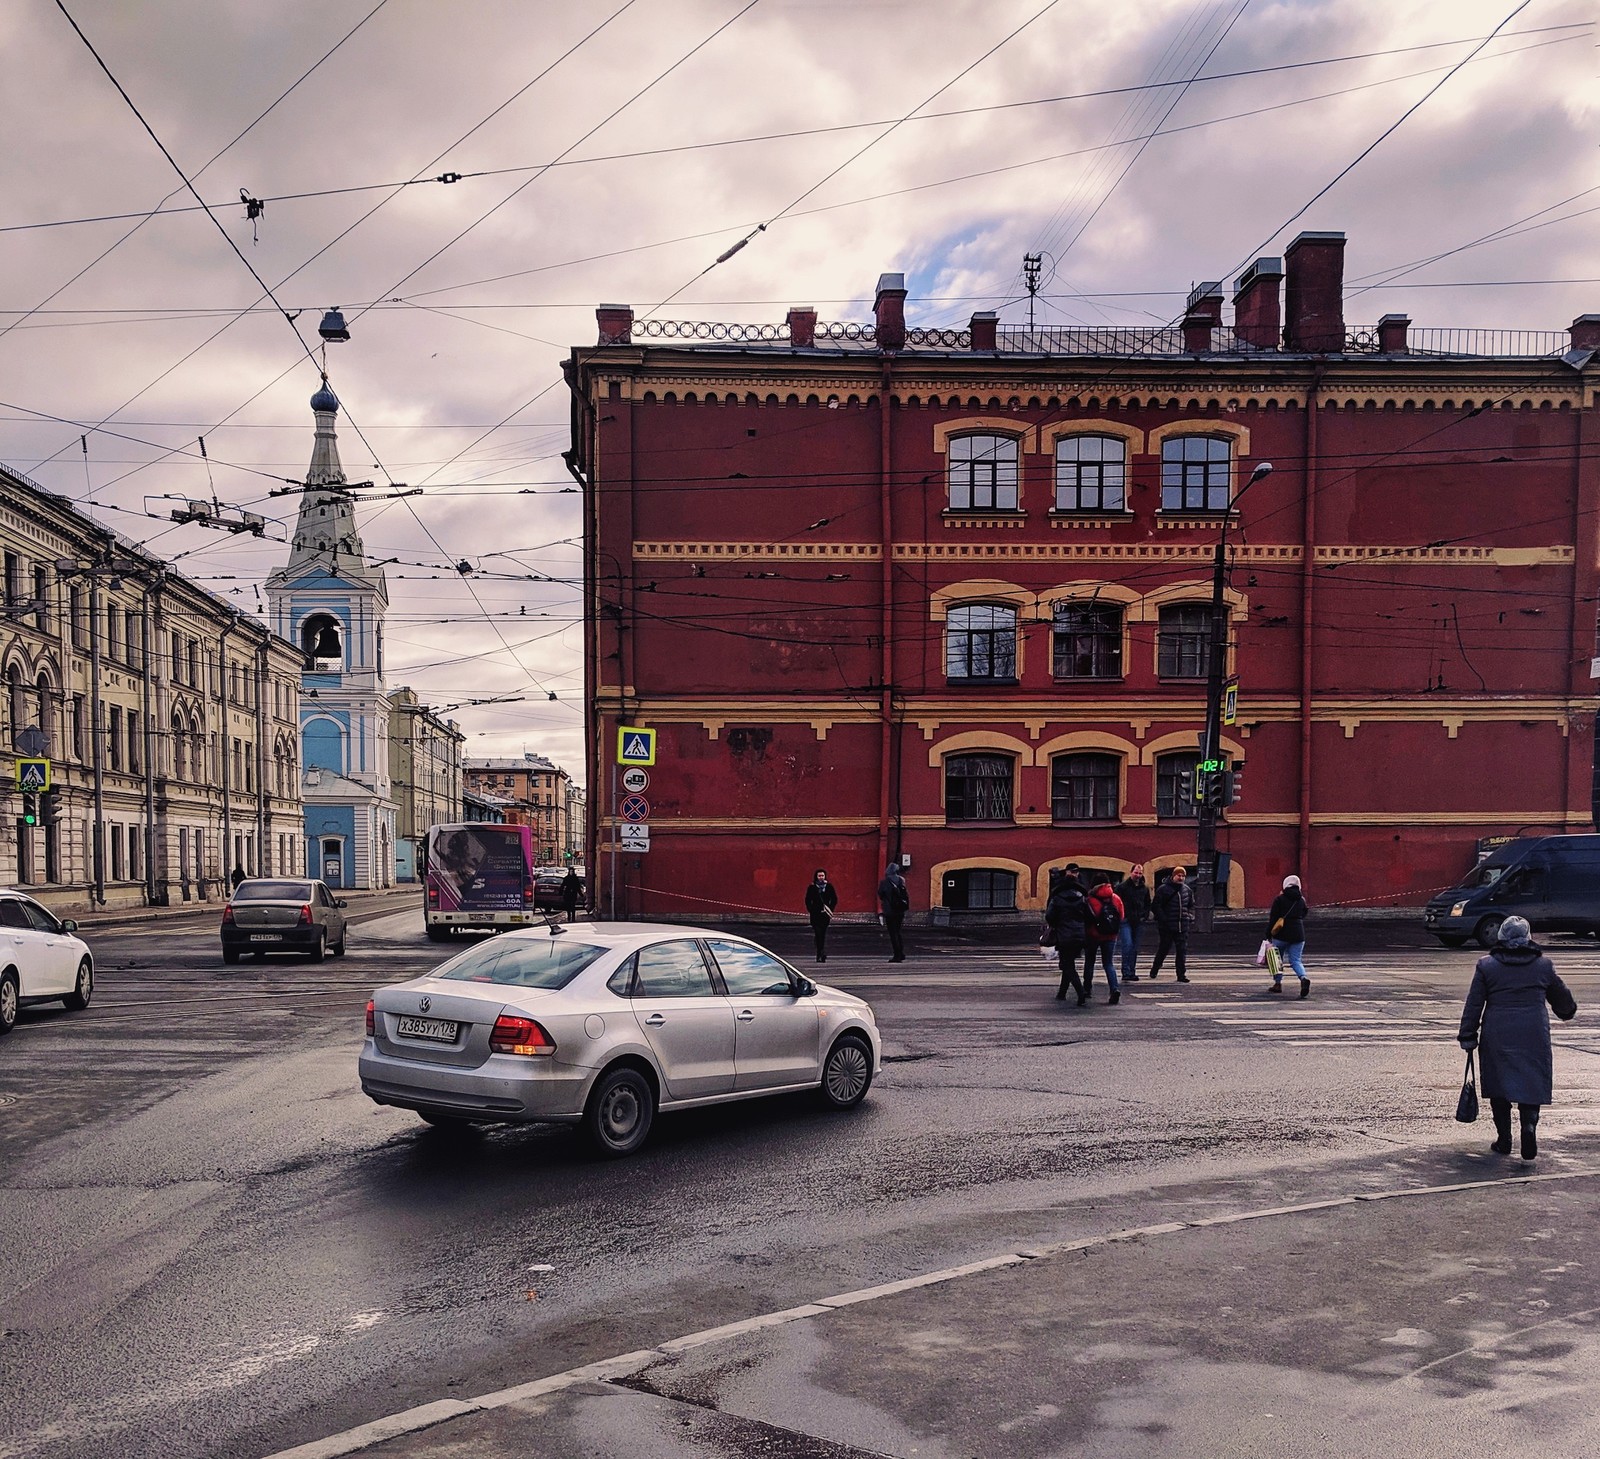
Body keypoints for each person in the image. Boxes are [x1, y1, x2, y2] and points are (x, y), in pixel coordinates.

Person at [1457, 915, 1578, 1160]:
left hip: (1497, 1033)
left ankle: (1504, 1139)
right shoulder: (1543, 966)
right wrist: (1567, 1011)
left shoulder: (1487, 965)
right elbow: (1562, 999)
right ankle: (1529, 1126)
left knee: (1499, 1083)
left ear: (1501, 936)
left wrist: (1467, 1034)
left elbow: (1474, 1003)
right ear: (1528, 937)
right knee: (1531, 1082)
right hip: (1533, 1032)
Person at [1044, 868, 1091, 1005]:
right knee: (1069, 962)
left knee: (1067, 964)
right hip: (1079, 935)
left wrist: (1055, 924)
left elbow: (1049, 916)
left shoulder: (1057, 898)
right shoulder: (1082, 897)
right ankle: (1062, 992)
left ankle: (1080, 992)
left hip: (1063, 934)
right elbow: (1089, 916)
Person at [1266, 874, 1311, 998]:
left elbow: (1273, 918)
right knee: (1296, 960)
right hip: (1298, 934)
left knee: (1276, 960)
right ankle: (1303, 978)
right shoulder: (1301, 900)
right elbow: (1304, 913)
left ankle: (1278, 983)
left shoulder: (1279, 899)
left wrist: (1268, 934)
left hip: (1281, 934)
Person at [1147, 866, 1193, 983]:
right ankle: (1155, 969)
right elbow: (1156, 906)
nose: (1181, 878)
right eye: (1179, 875)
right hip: (1167, 926)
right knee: (1164, 949)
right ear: (1173, 876)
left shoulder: (1187, 890)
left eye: (1183, 876)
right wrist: (1164, 919)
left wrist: (1187, 917)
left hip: (1182, 925)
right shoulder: (1163, 889)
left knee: (1181, 950)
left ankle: (1181, 975)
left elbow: (1189, 905)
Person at [1085, 878, 1125, 1005]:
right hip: (1111, 936)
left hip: (1093, 935)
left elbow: (1086, 917)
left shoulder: (1090, 899)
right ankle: (1114, 989)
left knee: (1089, 962)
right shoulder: (1116, 898)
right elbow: (1121, 916)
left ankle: (1087, 989)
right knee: (1108, 963)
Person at [1115, 865, 1151, 982]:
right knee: (1127, 945)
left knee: (1134, 947)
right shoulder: (1122, 887)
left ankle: (1132, 971)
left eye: (1140, 873)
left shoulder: (1144, 889)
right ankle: (1126, 971)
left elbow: (1147, 903)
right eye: (1136, 873)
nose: (1138, 875)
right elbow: (1116, 902)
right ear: (1131, 872)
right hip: (1126, 920)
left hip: (1138, 921)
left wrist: (1144, 916)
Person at [878, 862, 910, 962]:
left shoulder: (885, 882)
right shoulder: (901, 880)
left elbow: (880, 894)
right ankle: (901, 952)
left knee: (893, 933)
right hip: (900, 910)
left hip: (890, 910)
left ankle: (897, 955)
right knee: (898, 932)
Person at [804, 868, 839, 962]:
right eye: (819, 876)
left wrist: (830, 909)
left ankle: (821, 952)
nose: (821, 877)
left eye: (822, 876)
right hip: (815, 914)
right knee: (818, 933)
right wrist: (811, 910)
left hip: (825, 915)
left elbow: (834, 899)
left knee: (822, 934)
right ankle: (820, 953)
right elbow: (807, 900)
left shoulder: (829, 887)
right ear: (816, 876)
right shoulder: (812, 887)